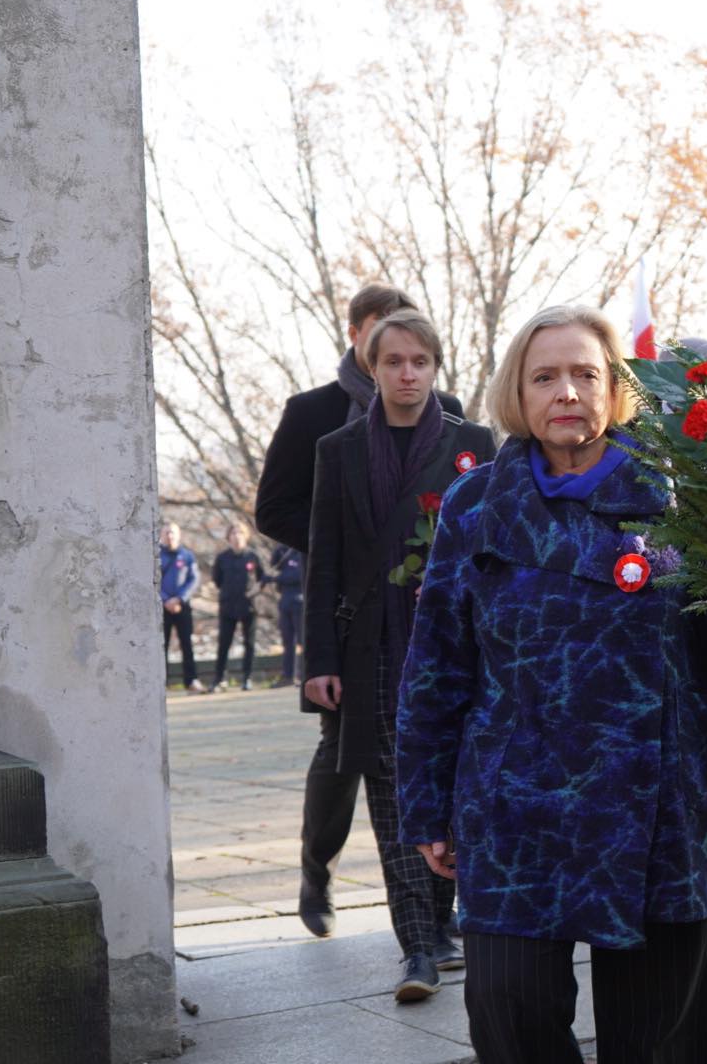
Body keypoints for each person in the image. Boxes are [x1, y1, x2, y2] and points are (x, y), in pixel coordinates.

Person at [395, 305, 707, 1063]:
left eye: (585, 375)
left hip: (659, 808)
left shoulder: (678, 497)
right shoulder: (475, 507)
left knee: (657, 1038)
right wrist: (427, 805)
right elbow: (436, 665)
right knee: (508, 1015)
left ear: (615, 389)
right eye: (546, 376)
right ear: (518, 393)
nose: (566, 391)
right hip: (511, 808)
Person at [252, 283, 466, 939]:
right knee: (342, 759)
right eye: (382, 337)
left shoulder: (449, 416)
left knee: (433, 753)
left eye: (412, 349)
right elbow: (275, 509)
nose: (399, 361)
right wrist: (350, 551)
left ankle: (434, 911)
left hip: (423, 615)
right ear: (358, 338)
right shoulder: (313, 414)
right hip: (351, 616)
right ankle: (318, 869)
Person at [302, 308, 495, 1000]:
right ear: (371, 368)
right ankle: (416, 949)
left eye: (419, 362)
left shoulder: (476, 444)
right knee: (390, 795)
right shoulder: (339, 450)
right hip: (373, 651)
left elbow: (499, 555)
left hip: (457, 648)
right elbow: (322, 564)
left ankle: (444, 929)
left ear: (437, 368)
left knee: (452, 787)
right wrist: (318, 660)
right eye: (393, 362)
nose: (406, 374)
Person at [209, 523, 266, 692]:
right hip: (227, 606)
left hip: (249, 606)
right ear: (228, 537)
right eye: (233, 533)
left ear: (246, 536)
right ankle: (219, 679)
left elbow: (263, 579)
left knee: (249, 643)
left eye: (240, 532)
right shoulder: (222, 558)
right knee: (224, 643)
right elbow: (217, 580)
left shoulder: (253, 556)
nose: (237, 536)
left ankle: (247, 678)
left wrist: (255, 590)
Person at [159, 523, 205, 693]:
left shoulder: (187, 556)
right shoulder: (156, 555)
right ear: (162, 535)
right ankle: (161, 681)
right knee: (161, 645)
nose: (170, 536)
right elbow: (152, 580)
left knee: (187, 643)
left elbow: (193, 580)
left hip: (182, 606)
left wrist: (179, 599)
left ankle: (191, 680)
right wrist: (165, 600)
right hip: (162, 607)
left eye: (173, 533)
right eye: (166, 533)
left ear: (179, 535)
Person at [269, 544, 305, 688]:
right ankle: (288, 675)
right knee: (287, 641)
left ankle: (303, 675)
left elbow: (298, 574)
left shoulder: (300, 550)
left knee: (302, 641)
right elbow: (274, 568)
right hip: (285, 601)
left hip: (299, 601)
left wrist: (277, 578)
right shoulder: (282, 551)